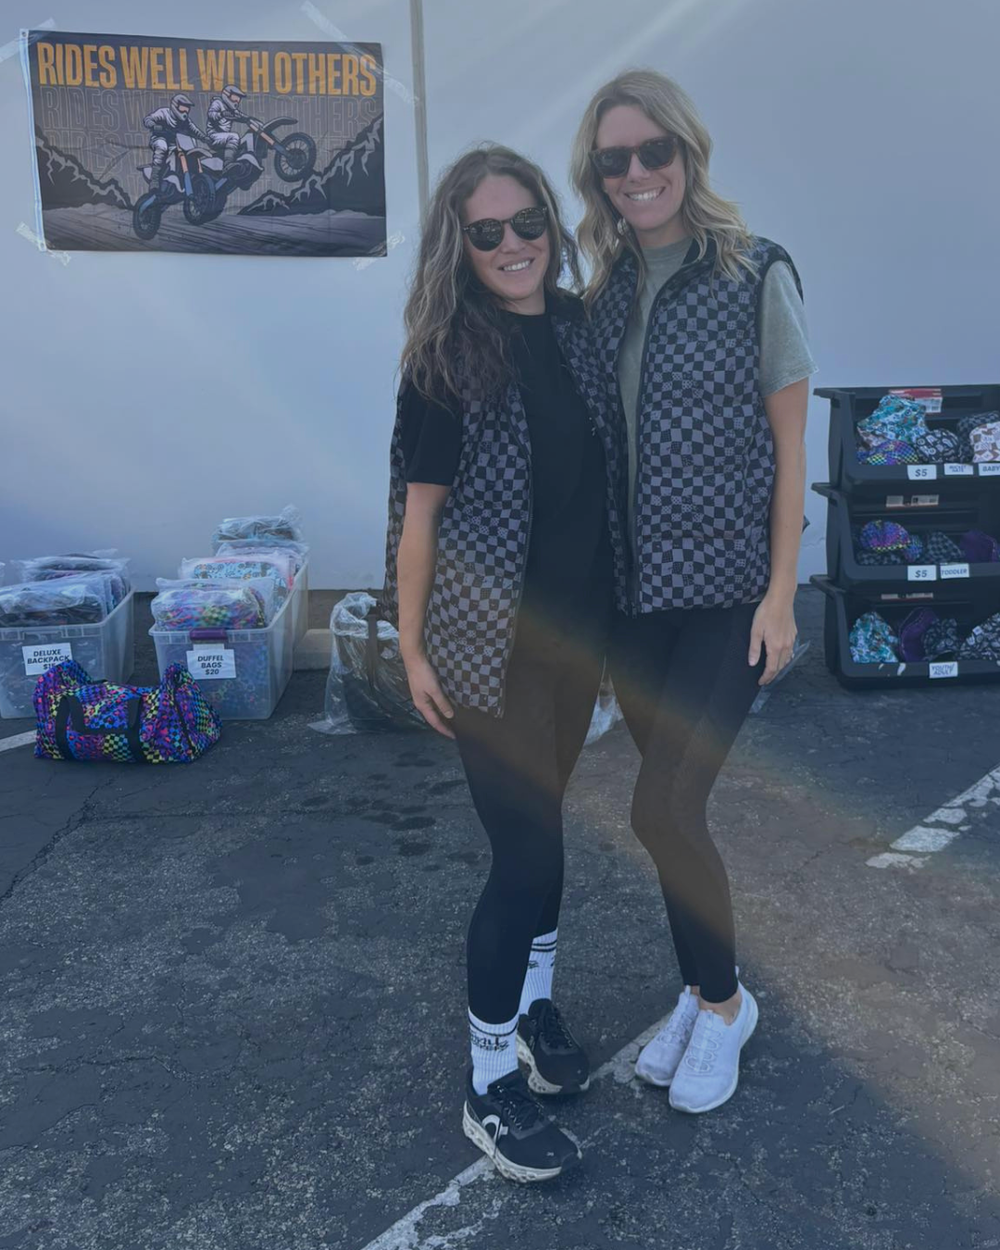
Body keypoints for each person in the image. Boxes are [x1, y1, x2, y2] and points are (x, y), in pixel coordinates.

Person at [570, 69, 816, 1115]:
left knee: (664, 802)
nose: (635, 175)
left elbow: (791, 446)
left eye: (651, 153)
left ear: (686, 153)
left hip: (723, 598)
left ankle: (722, 1006)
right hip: (633, 605)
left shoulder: (756, 273)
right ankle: (701, 986)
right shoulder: (601, 295)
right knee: (665, 817)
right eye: (612, 160)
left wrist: (780, 593)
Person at [380, 145, 627, 1182]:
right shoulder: (445, 355)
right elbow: (418, 516)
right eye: (489, 231)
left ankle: (530, 1013)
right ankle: (488, 1085)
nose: (515, 245)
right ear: (459, 242)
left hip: (578, 643)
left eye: (529, 222)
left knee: (552, 843)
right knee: (521, 859)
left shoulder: (578, 327)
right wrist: (411, 641)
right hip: (487, 655)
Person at [142, 93, 211, 197]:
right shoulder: (164, 113)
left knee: (190, 154)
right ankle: (155, 180)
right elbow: (147, 119)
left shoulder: (186, 121)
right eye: (183, 109)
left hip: (177, 143)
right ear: (175, 106)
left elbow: (195, 130)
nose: (185, 112)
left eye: (187, 110)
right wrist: (154, 126)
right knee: (162, 147)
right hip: (160, 138)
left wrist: (205, 138)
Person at [207, 84, 248, 171]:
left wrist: (249, 119)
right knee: (234, 137)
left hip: (224, 137)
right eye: (235, 98)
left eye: (238, 99)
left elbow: (241, 116)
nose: (237, 101)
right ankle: (228, 164)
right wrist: (221, 114)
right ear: (227, 95)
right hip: (213, 136)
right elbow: (211, 114)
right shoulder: (218, 103)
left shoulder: (233, 110)